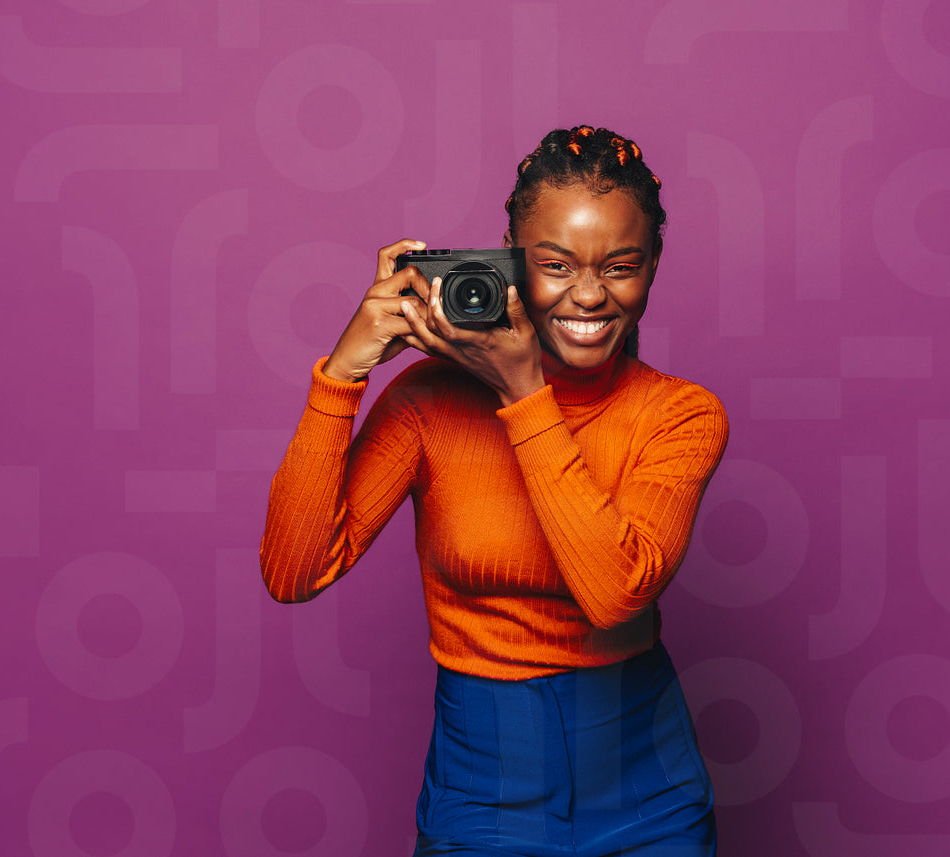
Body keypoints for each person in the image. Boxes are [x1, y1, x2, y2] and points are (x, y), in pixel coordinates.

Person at [260, 125, 728, 856]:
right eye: (555, 265)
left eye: (621, 267)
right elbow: (293, 572)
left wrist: (523, 393)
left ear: (653, 267)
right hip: (481, 795)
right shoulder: (428, 403)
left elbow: (613, 595)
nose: (588, 294)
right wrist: (342, 375)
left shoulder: (681, 415)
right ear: (511, 258)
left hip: (649, 792)